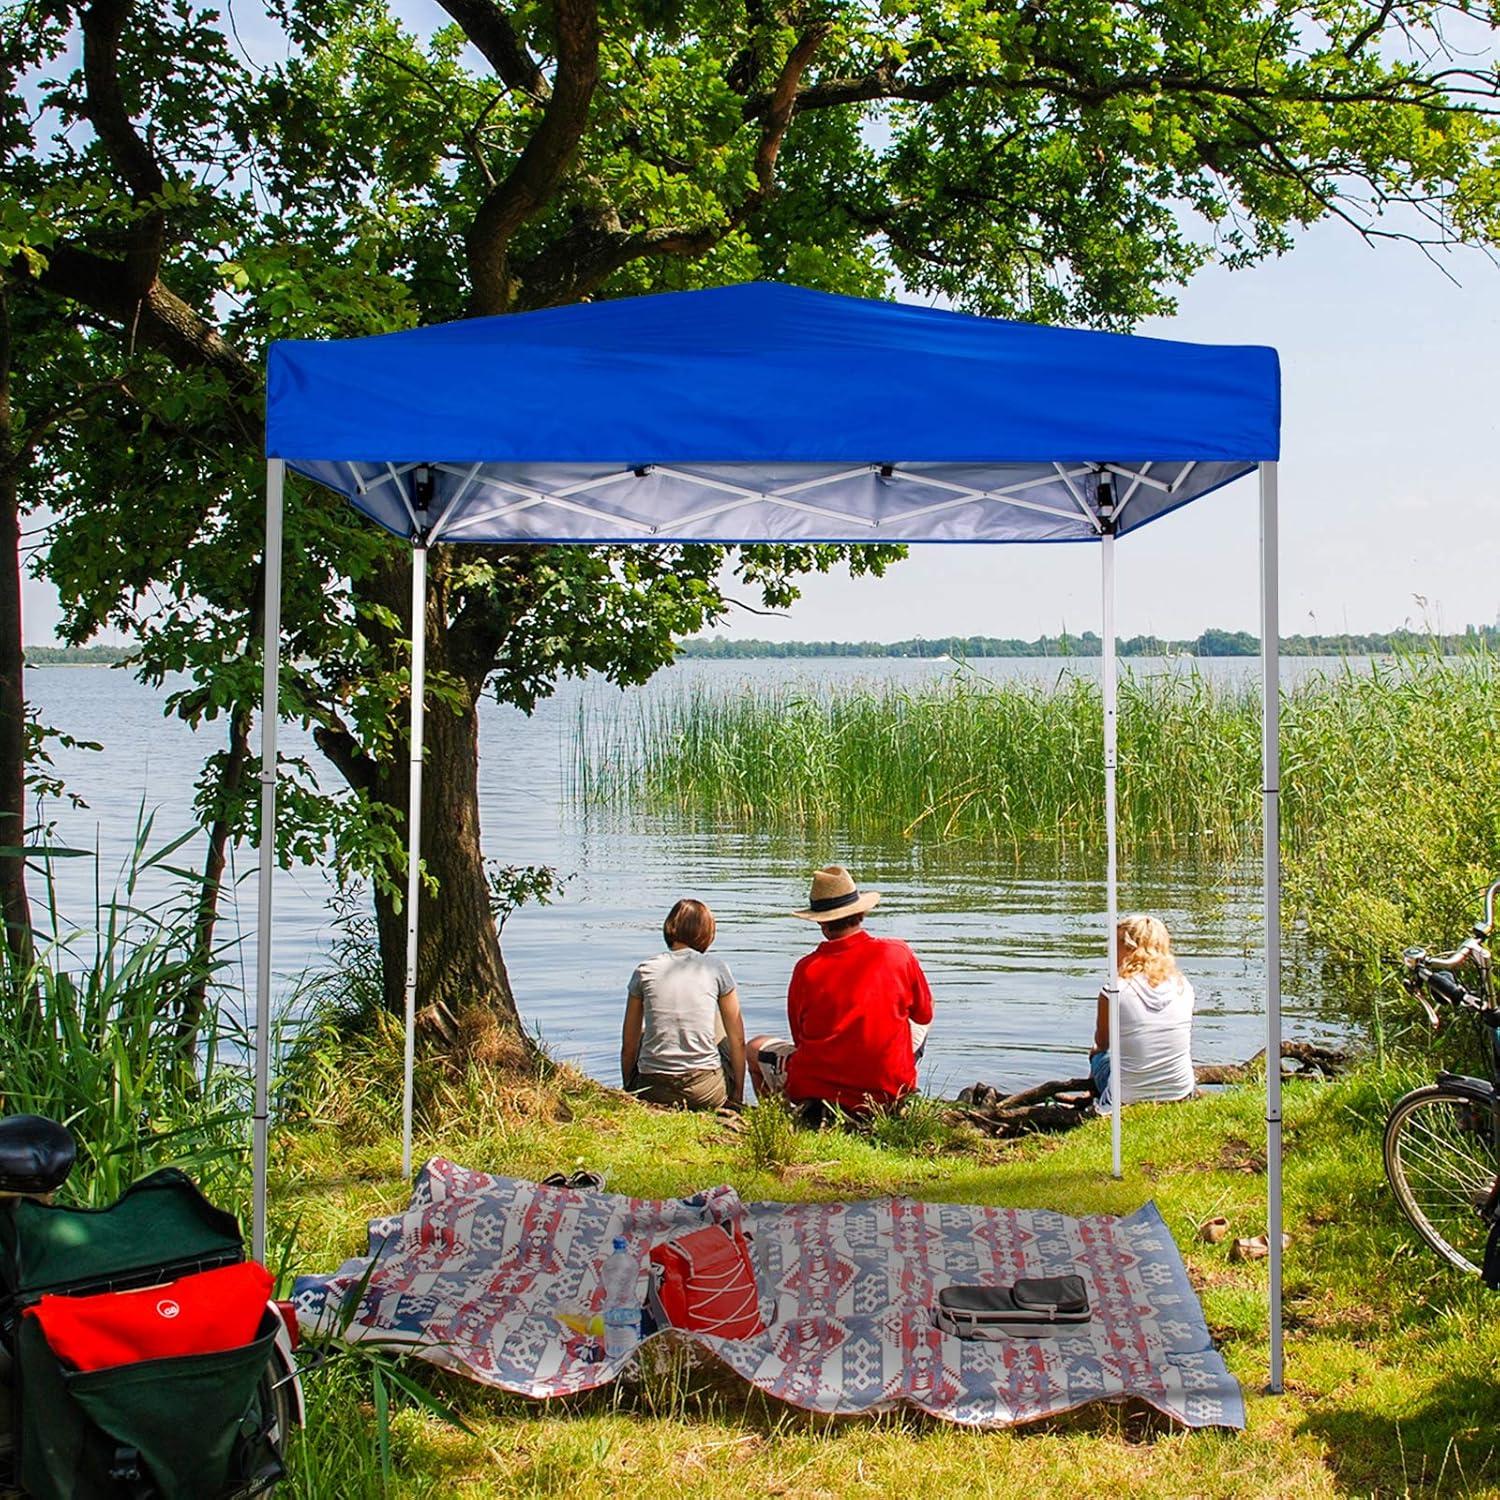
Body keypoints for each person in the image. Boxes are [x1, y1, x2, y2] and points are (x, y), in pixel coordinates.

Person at [748, 866, 933, 1113]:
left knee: (753, 1048)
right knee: (923, 1011)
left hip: (817, 1087)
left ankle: (779, 1121)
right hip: (889, 1090)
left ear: (822, 923)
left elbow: (800, 1038)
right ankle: (892, 1080)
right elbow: (924, 1015)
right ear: (861, 913)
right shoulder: (898, 953)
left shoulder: (805, 969)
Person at [622, 898, 746, 1110]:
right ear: (707, 933)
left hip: (652, 1089)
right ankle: (729, 1100)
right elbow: (739, 1041)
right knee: (720, 1026)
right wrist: (737, 1095)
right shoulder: (716, 969)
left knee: (644, 1034)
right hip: (705, 1091)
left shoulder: (644, 970)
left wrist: (630, 1088)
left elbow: (629, 1045)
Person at [1089, 913, 1196, 1110]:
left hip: (1126, 1097)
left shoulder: (1113, 990)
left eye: (1115, 946)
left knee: (1099, 1057)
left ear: (1128, 948)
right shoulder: (1184, 986)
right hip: (1181, 1091)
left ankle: (1100, 1097)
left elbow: (1102, 1044)